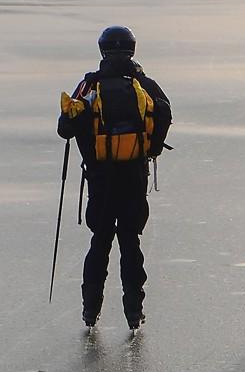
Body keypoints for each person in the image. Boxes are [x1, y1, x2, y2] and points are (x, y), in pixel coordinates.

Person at [58, 26, 172, 329]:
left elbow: (64, 128)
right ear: (132, 50)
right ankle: (134, 312)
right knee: (130, 243)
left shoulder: (89, 86)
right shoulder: (144, 84)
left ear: (102, 50)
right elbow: (164, 113)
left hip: (100, 179)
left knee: (100, 242)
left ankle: (90, 311)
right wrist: (152, 149)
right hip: (133, 177)